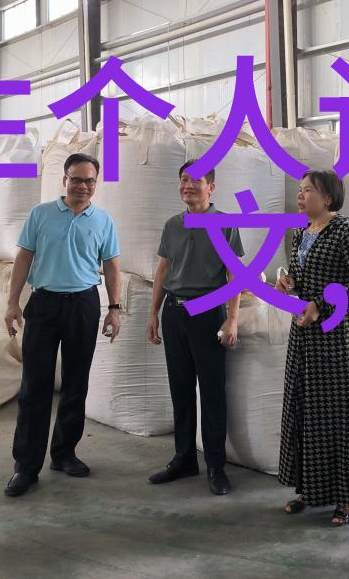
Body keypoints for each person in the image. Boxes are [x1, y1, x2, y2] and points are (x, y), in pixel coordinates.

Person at [3, 153, 121, 498]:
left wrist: (114, 309)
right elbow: (24, 258)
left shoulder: (103, 221)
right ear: (64, 180)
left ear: (96, 184)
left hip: (83, 304)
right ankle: (26, 466)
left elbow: (111, 266)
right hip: (44, 304)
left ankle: (64, 453)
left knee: (75, 383)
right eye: (77, 179)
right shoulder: (41, 215)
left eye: (89, 181)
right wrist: (12, 302)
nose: (83, 186)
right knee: (34, 386)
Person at [275, 170, 349, 527]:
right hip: (304, 334)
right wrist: (288, 283)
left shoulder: (346, 232)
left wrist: (321, 304)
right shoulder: (301, 232)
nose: (300, 196)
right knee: (306, 409)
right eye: (300, 190)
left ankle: (347, 498)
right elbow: (302, 278)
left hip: (335, 336)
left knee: (338, 414)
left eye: (308, 190)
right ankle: (310, 489)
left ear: (328, 197)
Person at [146, 162, 242, 495]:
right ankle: (184, 458)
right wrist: (153, 313)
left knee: (212, 392)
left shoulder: (225, 224)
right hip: (174, 313)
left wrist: (232, 318)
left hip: (207, 314)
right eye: (183, 179)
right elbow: (163, 269)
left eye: (196, 180)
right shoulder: (172, 225)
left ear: (211, 187)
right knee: (181, 389)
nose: (188, 185)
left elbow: (234, 274)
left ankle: (215, 466)